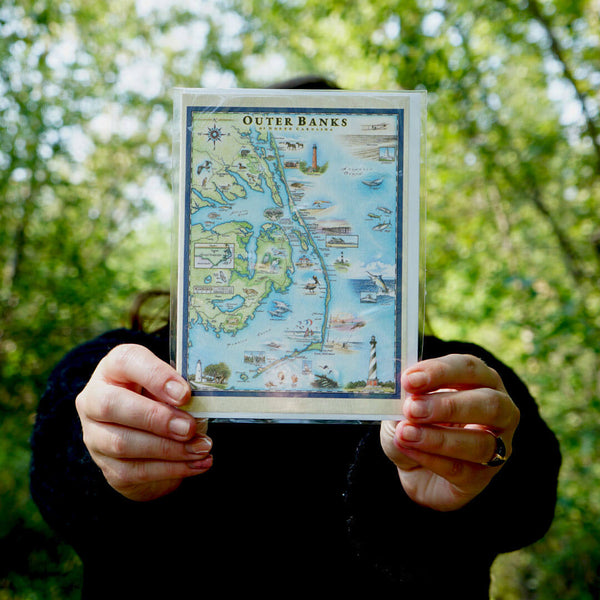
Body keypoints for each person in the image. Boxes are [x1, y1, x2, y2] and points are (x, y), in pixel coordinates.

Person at [30, 77, 561, 598]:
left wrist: (470, 470)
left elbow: (529, 506)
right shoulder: (122, 372)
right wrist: (105, 456)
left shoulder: (458, 383)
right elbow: (57, 484)